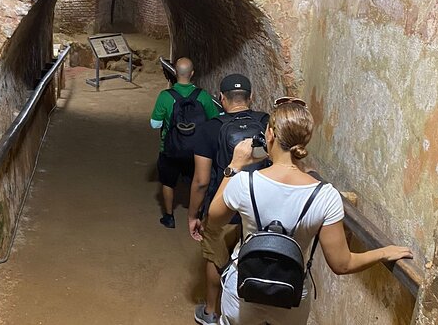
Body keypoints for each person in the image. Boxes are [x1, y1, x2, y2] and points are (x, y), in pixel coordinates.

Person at [208, 97, 413, 325]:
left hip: (243, 285)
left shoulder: (244, 183)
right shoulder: (325, 196)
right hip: (290, 292)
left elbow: (214, 220)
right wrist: (383, 253)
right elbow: (342, 264)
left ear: (271, 135)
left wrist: (235, 165)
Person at [187, 74, 270, 325]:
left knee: (215, 258)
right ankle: (253, 312)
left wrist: (193, 215)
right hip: (259, 205)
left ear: (221, 99)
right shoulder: (266, 123)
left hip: (223, 206)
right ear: (251, 97)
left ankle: (212, 311)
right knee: (253, 255)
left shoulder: (209, 129)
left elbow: (201, 180)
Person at [150, 57, 219, 228]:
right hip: (197, 148)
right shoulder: (202, 96)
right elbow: (214, 119)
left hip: (170, 148)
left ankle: (169, 217)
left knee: (168, 182)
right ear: (192, 73)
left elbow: (154, 124)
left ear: (175, 72)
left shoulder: (165, 96)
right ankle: (197, 214)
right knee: (198, 181)